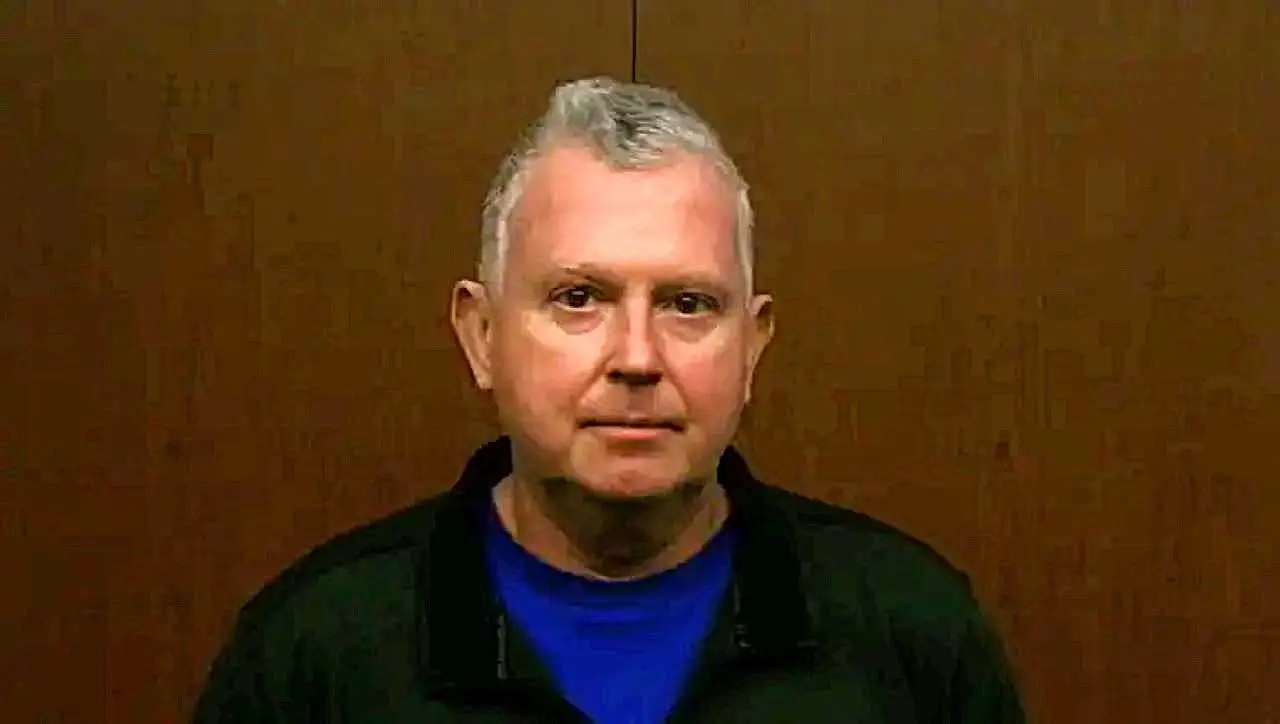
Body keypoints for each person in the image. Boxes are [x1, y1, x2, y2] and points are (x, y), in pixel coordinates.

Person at [193, 76, 1026, 723]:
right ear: (481, 335)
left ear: (752, 347)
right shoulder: (315, 654)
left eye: (687, 304)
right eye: (579, 298)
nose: (636, 358)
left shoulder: (912, 638)